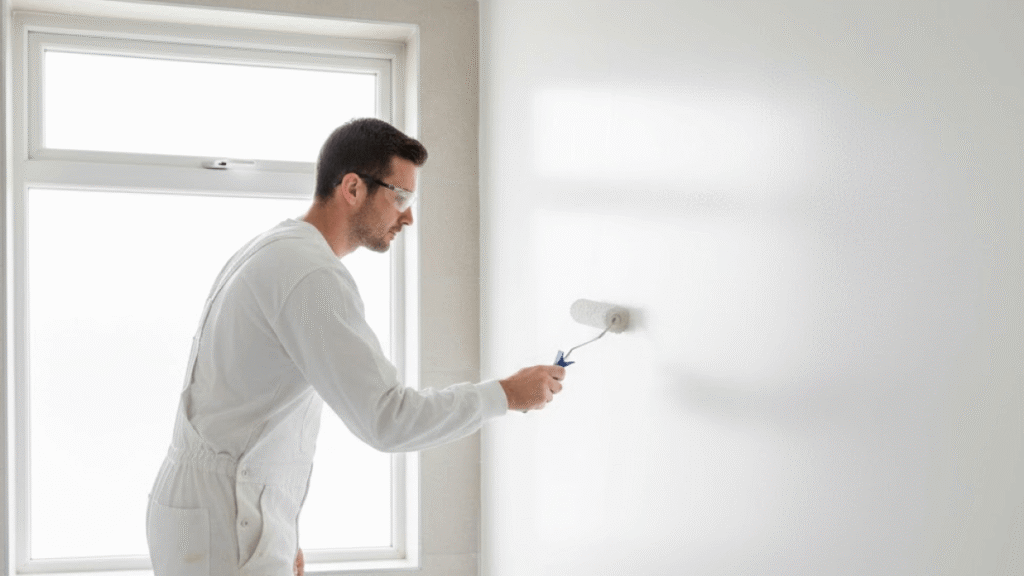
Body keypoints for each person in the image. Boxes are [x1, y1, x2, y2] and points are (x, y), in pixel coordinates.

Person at [145, 118, 565, 576]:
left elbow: (249, 404)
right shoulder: (312, 276)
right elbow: (387, 420)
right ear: (351, 188)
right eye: (400, 197)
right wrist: (506, 394)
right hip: (225, 525)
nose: (408, 216)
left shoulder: (276, 248)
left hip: (209, 512)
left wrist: (282, 535)